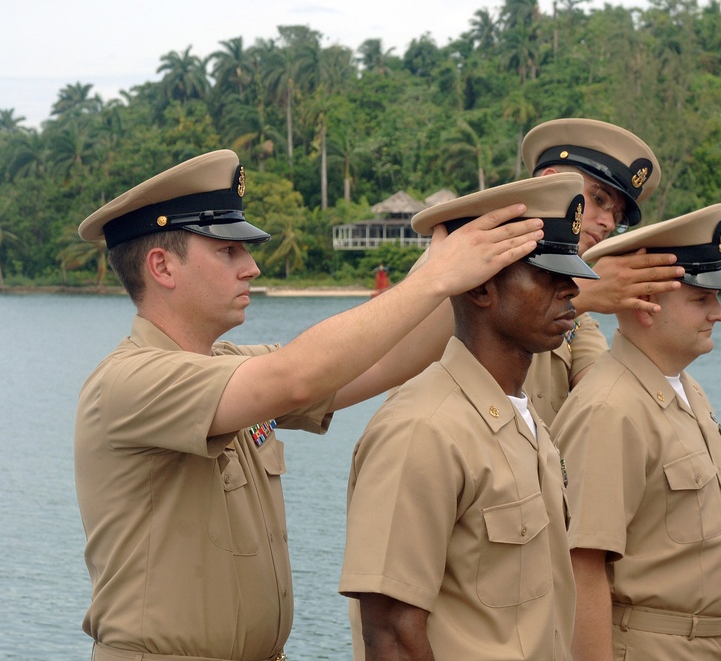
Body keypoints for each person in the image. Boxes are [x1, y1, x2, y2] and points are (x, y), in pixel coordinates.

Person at [73, 149, 543, 661]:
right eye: (228, 251)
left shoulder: (228, 367)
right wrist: (434, 279)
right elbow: (297, 377)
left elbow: (386, 360)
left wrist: (478, 267)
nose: (251, 268)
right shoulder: (128, 381)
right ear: (162, 266)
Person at [339, 172, 595, 660]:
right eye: (547, 274)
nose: (571, 289)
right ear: (480, 288)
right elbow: (391, 632)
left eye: (570, 272)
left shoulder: (522, 418)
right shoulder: (422, 429)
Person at [549, 204, 721, 661]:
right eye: (701, 300)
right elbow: (582, 569)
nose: (718, 314)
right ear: (646, 304)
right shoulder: (609, 408)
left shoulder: (686, 390)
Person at [519, 117, 684, 426]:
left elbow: (602, 392)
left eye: (617, 217)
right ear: (549, 182)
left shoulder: (575, 312)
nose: (608, 223)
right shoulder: (467, 260)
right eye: (598, 199)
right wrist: (587, 292)